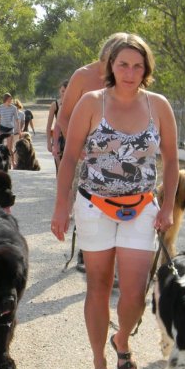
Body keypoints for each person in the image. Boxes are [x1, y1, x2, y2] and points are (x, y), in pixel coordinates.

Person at [50, 33, 179, 369]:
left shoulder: (159, 106)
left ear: (147, 70)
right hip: (94, 207)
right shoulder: (93, 103)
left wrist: (167, 206)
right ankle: (99, 364)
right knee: (99, 287)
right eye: (123, 64)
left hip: (141, 210)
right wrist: (62, 206)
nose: (130, 71)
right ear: (110, 66)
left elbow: (171, 160)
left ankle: (122, 339)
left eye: (138, 65)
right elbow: (71, 156)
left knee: (135, 293)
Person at [54, 33, 126, 272]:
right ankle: (86, 249)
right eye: (113, 61)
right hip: (84, 153)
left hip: (118, 156)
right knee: (85, 200)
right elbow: (64, 116)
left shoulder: (127, 77)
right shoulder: (83, 76)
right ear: (104, 56)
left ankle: (115, 257)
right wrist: (80, 145)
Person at [46, 79, 68, 173]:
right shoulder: (54, 105)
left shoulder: (77, 103)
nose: (64, 93)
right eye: (62, 91)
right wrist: (48, 142)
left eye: (67, 91)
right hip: (58, 138)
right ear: (59, 91)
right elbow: (49, 126)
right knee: (59, 169)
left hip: (70, 136)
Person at [0, 93, 20, 167]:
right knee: (0, 147)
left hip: (10, 129)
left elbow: (17, 119)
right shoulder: (0, 107)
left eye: (11, 99)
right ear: (5, 99)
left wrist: (19, 130)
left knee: (9, 147)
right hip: (2, 128)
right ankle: (0, 162)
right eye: (9, 99)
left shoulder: (14, 108)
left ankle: (12, 163)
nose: (10, 101)